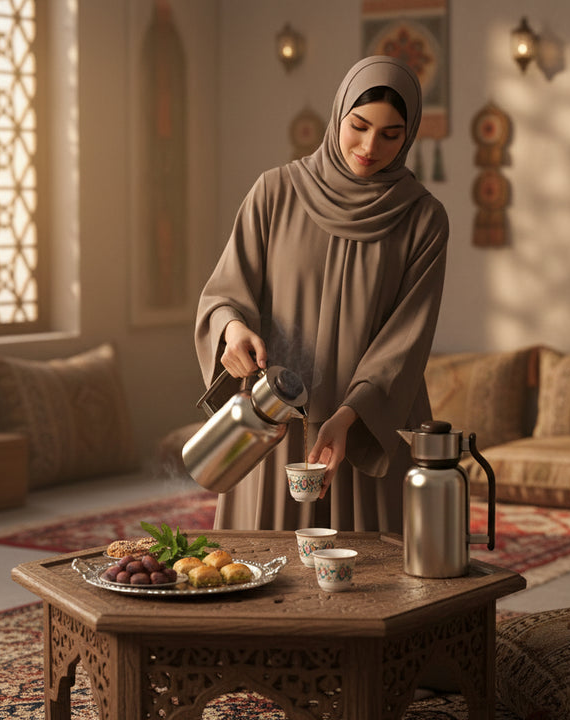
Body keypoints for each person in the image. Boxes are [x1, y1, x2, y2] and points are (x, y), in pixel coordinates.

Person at [194, 55, 448, 532]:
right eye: (359, 125)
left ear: (410, 135)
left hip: (366, 425)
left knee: (373, 584)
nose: (371, 146)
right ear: (338, 116)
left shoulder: (423, 220)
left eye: (391, 134)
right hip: (275, 423)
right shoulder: (274, 193)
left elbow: (405, 342)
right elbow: (226, 291)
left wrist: (347, 420)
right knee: (261, 577)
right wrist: (231, 330)